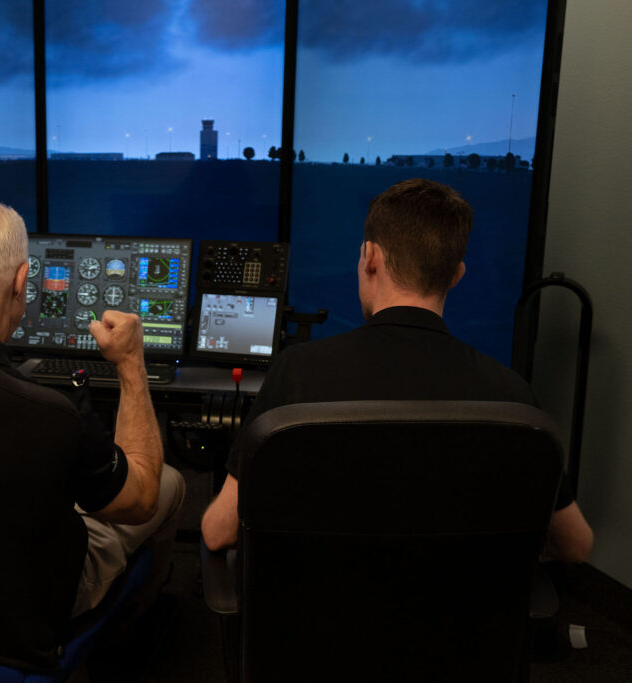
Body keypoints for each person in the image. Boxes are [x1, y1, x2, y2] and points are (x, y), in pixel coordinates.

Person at [201, 178, 593, 563]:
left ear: (370, 258)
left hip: (318, 621)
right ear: (456, 275)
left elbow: (219, 532)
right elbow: (576, 545)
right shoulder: (511, 397)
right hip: (462, 624)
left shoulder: (297, 373)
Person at [0, 196, 185, 616]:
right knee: (165, 481)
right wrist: (131, 363)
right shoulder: (50, 413)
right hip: (23, 607)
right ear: (20, 280)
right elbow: (140, 501)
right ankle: (126, 639)